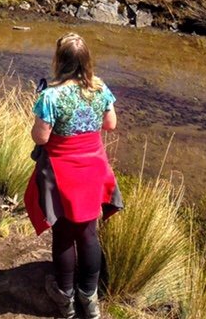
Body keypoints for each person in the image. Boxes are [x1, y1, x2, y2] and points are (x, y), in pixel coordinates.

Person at [23, 33, 123, 319]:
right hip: (93, 168)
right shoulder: (100, 88)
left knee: (64, 235)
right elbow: (111, 124)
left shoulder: (50, 95)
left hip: (61, 171)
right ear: (86, 59)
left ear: (59, 60)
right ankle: (89, 300)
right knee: (89, 234)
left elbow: (41, 138)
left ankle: (64, 299)